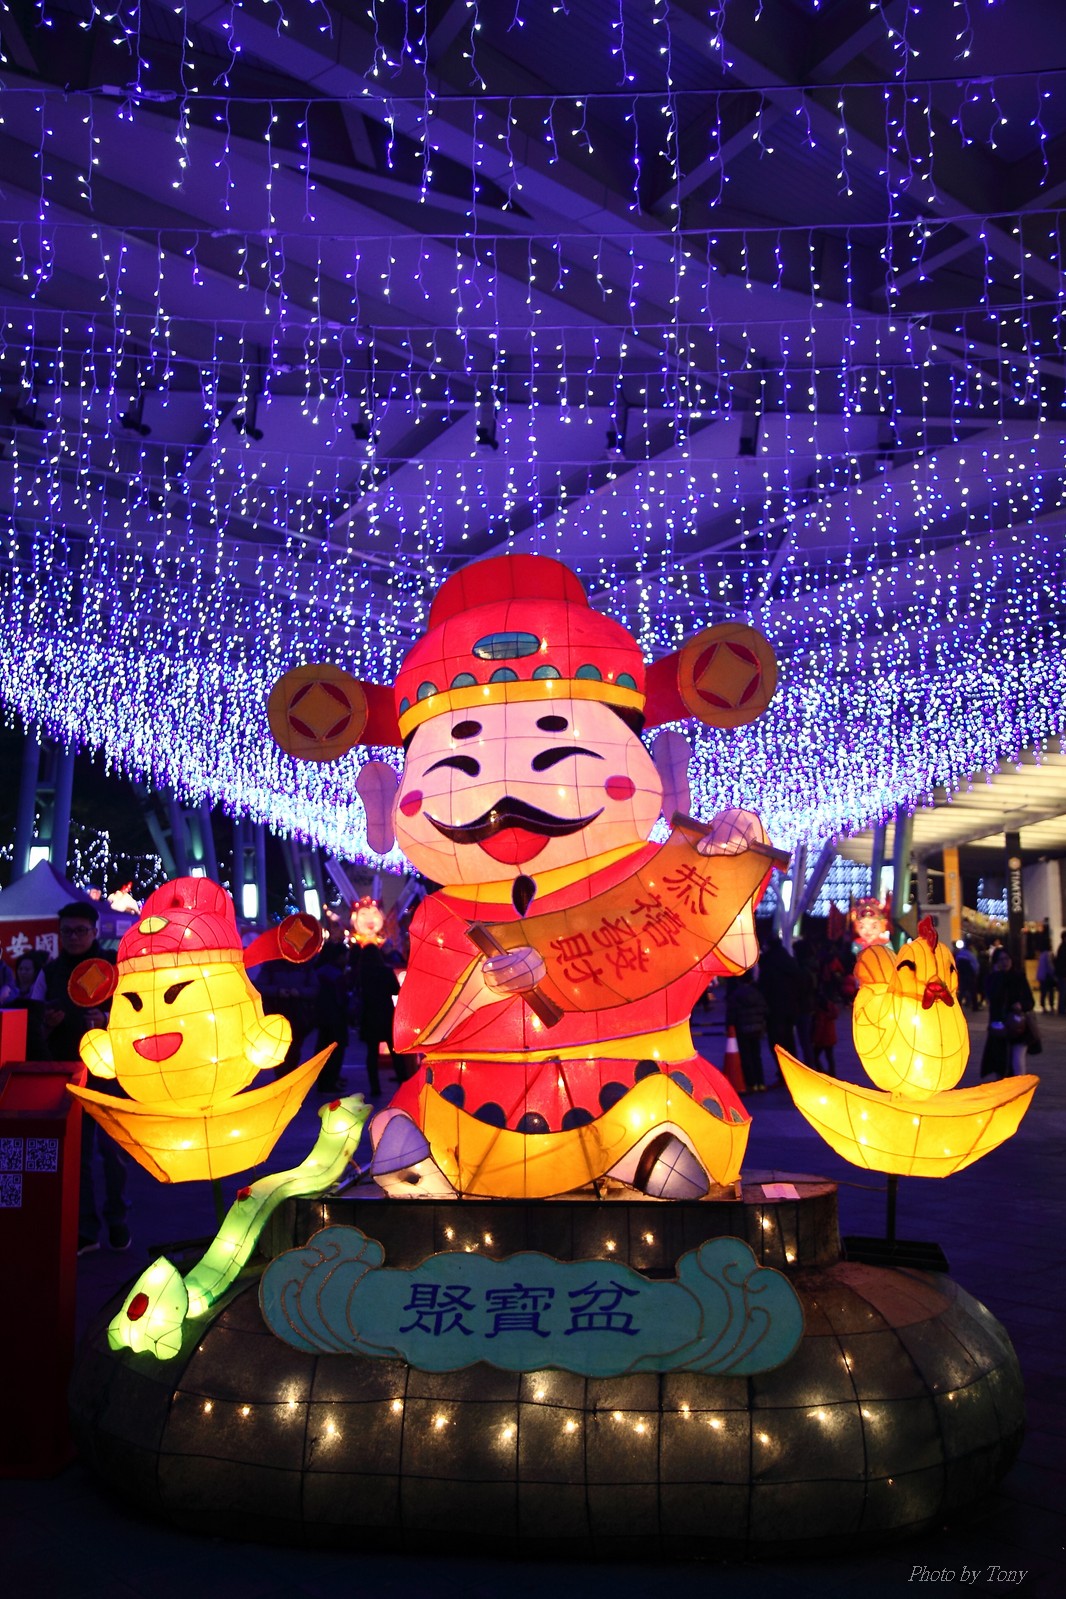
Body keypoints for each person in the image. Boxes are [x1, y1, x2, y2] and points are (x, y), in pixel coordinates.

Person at [42, 901, 129, 1255]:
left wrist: (107, 1018)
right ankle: (86, 1229)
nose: (73, 937)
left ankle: (118, 1220)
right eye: (67, 931)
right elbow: (35, 1016)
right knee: (77, 1155)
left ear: (94, 931)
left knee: (113, 1151)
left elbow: (134, 1010)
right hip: (68, 1072)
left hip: (108, 1073)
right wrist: (48, 1023)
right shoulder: (51, 971)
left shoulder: (112, 968)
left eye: (80, 930)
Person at [981, 948, 1035, 1080]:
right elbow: (992, 997)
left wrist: (1021, 1005)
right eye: (1001, 960)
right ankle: (1004, 1087)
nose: (1005, 962)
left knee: (1017, 1061)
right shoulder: (992, 979)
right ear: (995, 962)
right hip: (999, 1027)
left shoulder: (1019, 977)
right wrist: (998, 976)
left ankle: (1020, 1086)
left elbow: (1030, 1001)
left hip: (1018, 1026)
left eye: (1007, 959)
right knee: (1000, 1063)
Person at [353, 941, 399, 1096]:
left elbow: (357, 992)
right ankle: (402, 1079)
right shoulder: (386, 971)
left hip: (369, 1014)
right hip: (386, 1013)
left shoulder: (362, 973)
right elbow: (396, 990)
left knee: (371, 1053)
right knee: (394, 1050)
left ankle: (375, 1086)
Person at [310, 919, 351, 1093]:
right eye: (345, 956)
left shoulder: (319, 971)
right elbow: (342, 999)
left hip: (322, 1017)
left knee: (322, 1049)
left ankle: (323, 1080)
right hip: (335, 1018)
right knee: (335, 1050)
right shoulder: (336, 975)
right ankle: (330, 1081)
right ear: (339, 957)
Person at [756, 935, 801, 1062]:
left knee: (776, 1042)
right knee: (789, 1040)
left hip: (774, 1008)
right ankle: (792, 1068)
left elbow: (764, 986)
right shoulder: (789, 960)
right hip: (790, 1007)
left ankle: (782, 1069)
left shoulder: (768, 962)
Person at [726, 969, 769, 1091]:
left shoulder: (736, 995)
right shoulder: (757, 993)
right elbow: (765, 1009)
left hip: (742, 1029)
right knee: (757, 1055)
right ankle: (761, 1082)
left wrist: (729, 1027)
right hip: (757, 1028)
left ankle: (751, 1083)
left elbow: (732, 1014)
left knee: (746, 1056)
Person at [1035, 945, 1057, 1013]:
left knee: (1043, 992)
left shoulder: (1042, 955)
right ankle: (1051, 1006)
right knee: (1051, 991)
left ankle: (1043, 1006)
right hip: (1047, 976)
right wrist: (1054, 973)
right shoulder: (1049, 954)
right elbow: (1050, 965)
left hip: (1042, 976)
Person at [1054, 932, 1066, 1017]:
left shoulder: (1061, 947)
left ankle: (1062, 1008)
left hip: (1061, 974)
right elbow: (1062, 963)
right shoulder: (1063, 947)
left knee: (1063, 992)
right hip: (1063, 974)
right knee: (1063, 992)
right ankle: (1062, 1009)